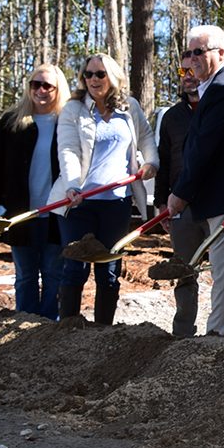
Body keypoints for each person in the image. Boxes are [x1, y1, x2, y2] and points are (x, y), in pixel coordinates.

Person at [167, 25, 224, 339]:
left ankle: (217, 337)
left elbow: (203, 149)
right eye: (189, 52)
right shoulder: (218, 86)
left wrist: (180, 193)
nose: (191, 59)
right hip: (222, 197)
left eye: (199, 51)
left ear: (221, 53)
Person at [53, 55, 159, 324]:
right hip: (79, 202)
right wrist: (73, 185)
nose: (93, 80)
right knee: (74, 268)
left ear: (112, 76)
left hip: (116, 202)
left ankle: (103, 332)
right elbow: (68, 150)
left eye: (99, 74)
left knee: (109, 269)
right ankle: (66, 329)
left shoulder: (129, 107)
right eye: (88, 75)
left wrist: (150, 161)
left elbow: (146, 137)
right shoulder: (73, 109)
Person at [0, 63, 71, 320]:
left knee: (54, 275)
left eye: (47, 86)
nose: (40, 90)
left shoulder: (67, 123)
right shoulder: (12, 122)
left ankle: (48, 330)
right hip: (20, 216)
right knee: (25, 276)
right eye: (35, 84)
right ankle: (24, 330)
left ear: (57, 89)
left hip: (56, 215)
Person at [154, 51, 211, 338]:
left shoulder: (218, 108)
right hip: (180, 206)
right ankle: (183, 334)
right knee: (185, 272)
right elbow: (164, 160)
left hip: (217, 203)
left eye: (193, 71)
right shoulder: (171, 117)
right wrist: (161, 202)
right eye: (182, 72)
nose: (188, 78)